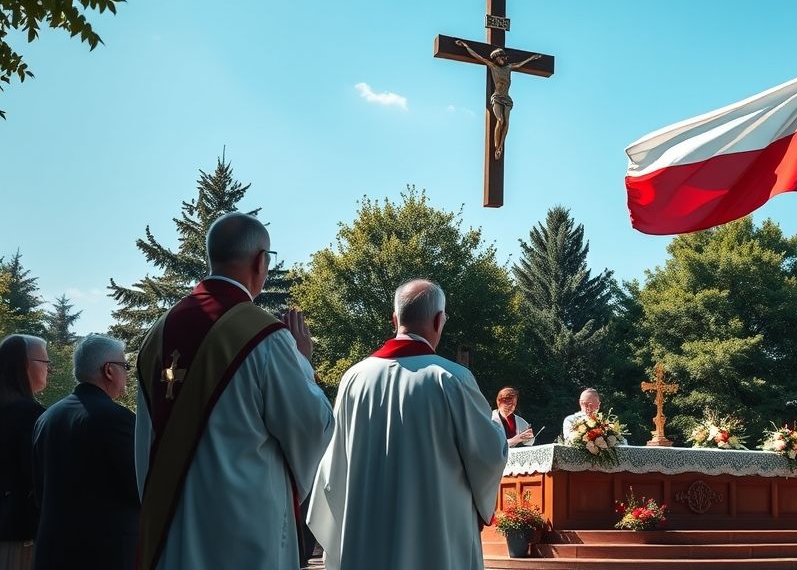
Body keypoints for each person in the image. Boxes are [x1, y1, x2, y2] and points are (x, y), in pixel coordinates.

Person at [134, 212, 334, 570]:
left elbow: (144, 442)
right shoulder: (266, 336)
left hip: (170, 532)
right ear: (261, 262)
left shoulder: (157, 335)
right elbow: (311, 428)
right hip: (241, 538)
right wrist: (304, 364)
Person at [307, 279, 508, 570]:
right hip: (434, 539)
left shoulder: (354, 378)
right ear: (439, 320)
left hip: (367, 535)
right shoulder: (452, 378)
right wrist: (498, 427)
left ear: (394, 320)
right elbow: (488, 457)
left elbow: (333, 466)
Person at [31, 334, 138, 570]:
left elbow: (39, 489)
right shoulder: (118, 420)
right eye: (125, 366)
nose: (127, 374)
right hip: (103, 554)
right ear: (109, 370)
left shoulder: (47, 417)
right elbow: (140, 485)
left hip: (52, 551)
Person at [0, 335, 49, 570]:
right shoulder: (29, 415)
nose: (49, 369)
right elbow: (39, 477)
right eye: (45, 363)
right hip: (20, 534)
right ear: (25, 365)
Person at [454, 39, 542, 159]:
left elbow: (520, 64)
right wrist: (466, 46)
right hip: (497, 97)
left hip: (507, 98)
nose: (504, 59)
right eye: (502, 57)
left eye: (505, 58)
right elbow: (478, 57)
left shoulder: (509, 67)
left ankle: (500, 146)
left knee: (506, 123)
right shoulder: (493, 66)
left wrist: (532, 58)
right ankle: (497, 147)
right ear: (496, 58)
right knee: (500, 120)